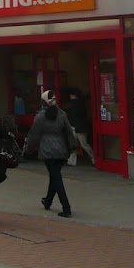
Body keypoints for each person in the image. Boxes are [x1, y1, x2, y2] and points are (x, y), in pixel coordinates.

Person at [25, 90, 77, 218]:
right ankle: (47, 201)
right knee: (55, 176)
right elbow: (69, 131)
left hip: (47, 150)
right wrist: (72, 147)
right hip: (61, 149)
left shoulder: (40, 116)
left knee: (56, 178)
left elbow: (34, 135)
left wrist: (28, 150)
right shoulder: (61, 114)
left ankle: (66, 207)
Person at [63, 89, 94, 167]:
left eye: (71, 95)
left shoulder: (73, 105)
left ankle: (71, 161)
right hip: (80, 126)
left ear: (74, 95)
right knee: (84, 144)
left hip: (75, 126)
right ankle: (94, 159)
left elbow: (70, 115)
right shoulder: (81, 104)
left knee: (75, 145)